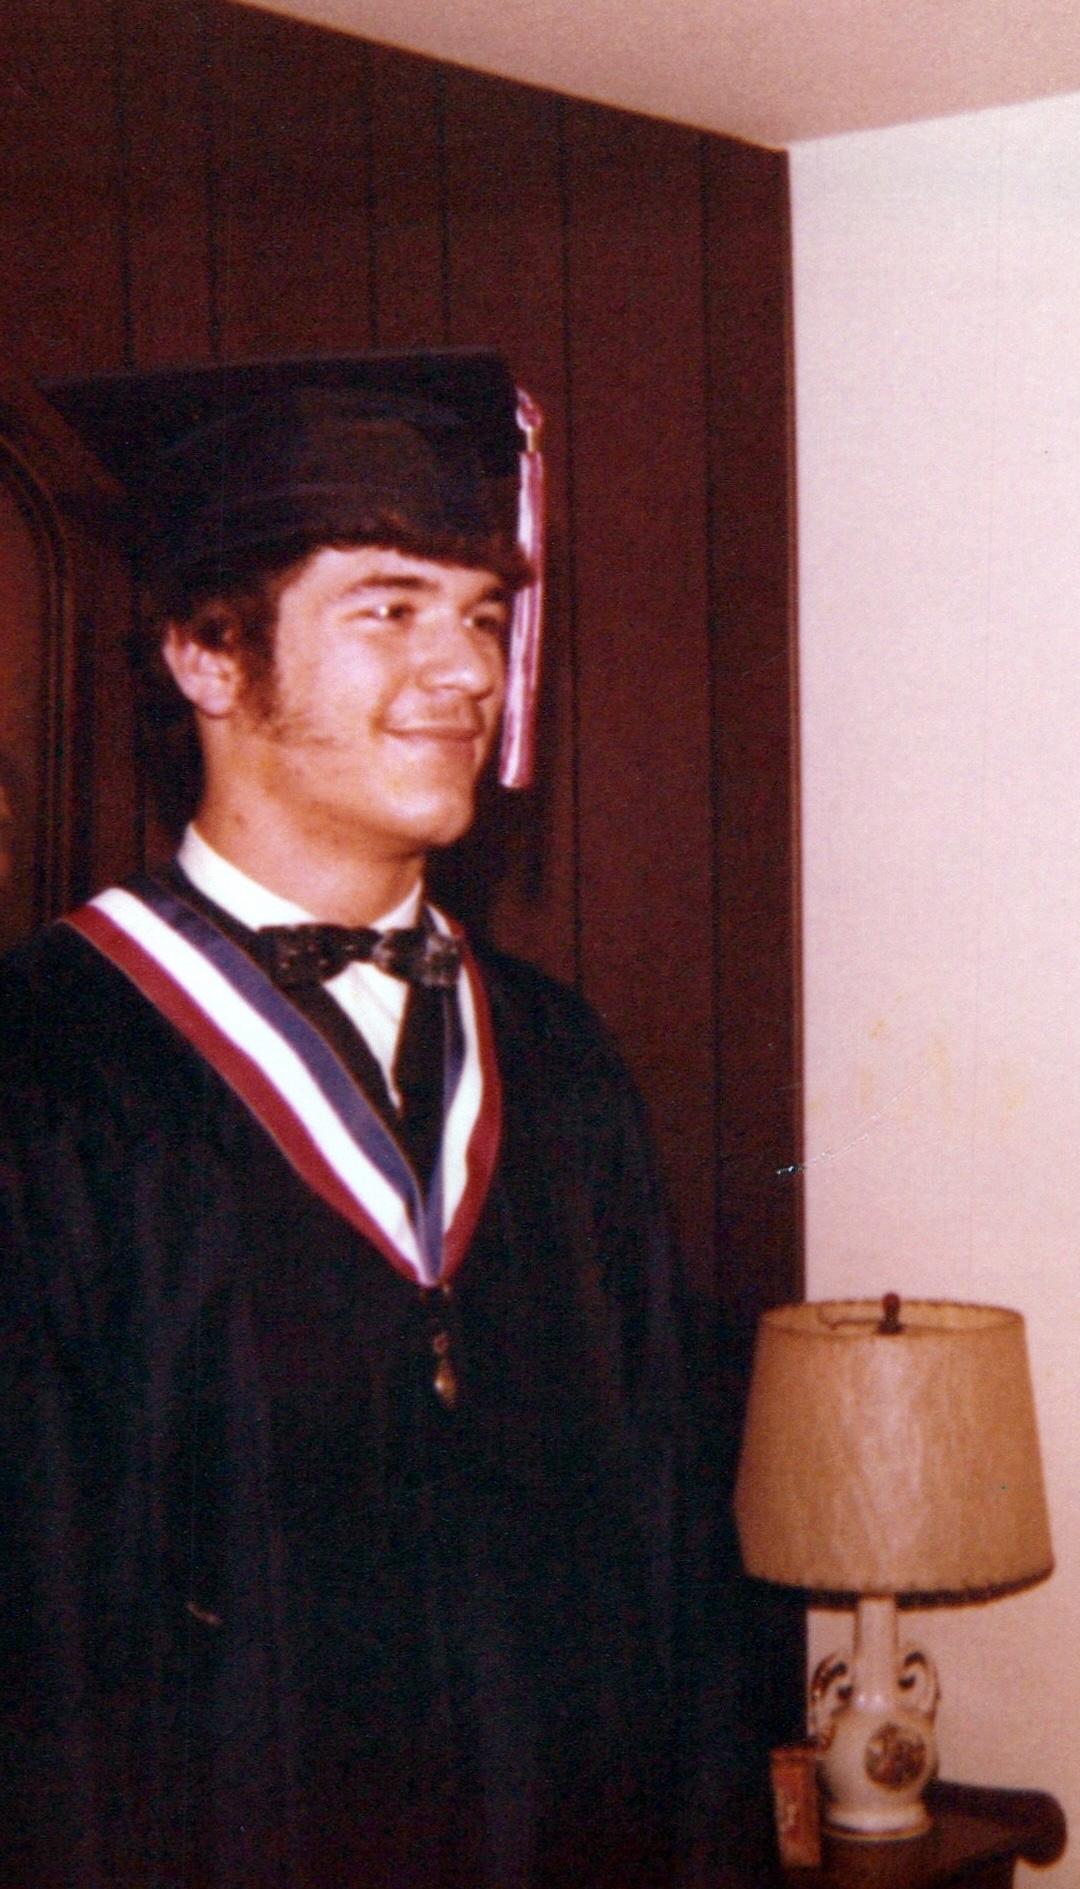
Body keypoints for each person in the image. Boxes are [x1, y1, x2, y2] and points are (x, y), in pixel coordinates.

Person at [0, 353, 777, 1888]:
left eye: (482, 614)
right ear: (206, 656)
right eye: (389, 608)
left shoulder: (557, 1062)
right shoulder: (45, 1067)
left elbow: (678, 1587)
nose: (466, 671)